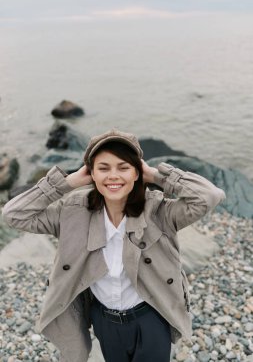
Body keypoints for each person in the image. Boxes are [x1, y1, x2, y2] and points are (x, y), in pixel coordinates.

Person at [2, 129, 225, 362]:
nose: (113, 176)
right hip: (104, 320)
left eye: (123, 167)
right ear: (91, 173)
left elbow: (209, 196)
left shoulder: (159, 211)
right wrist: (66, 183)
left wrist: (157, 176)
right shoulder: (71, 212)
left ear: (137, 172)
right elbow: (14, 214)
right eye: (103, 168)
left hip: (151, 317)